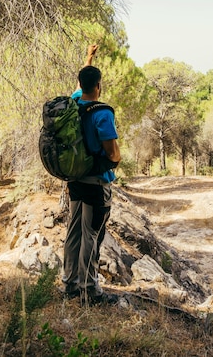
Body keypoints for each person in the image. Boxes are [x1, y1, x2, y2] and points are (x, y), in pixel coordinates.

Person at [61, 44, 121, 303]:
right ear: (99, 86)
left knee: (74, 231)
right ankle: (90, 290)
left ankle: (70, 284)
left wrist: (89, 57)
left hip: (75, 180)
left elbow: (83, 77)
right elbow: (112, 154)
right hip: (97, 184)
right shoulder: (103, 113)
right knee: (92, 235)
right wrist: (117, 156)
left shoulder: (74, 102)